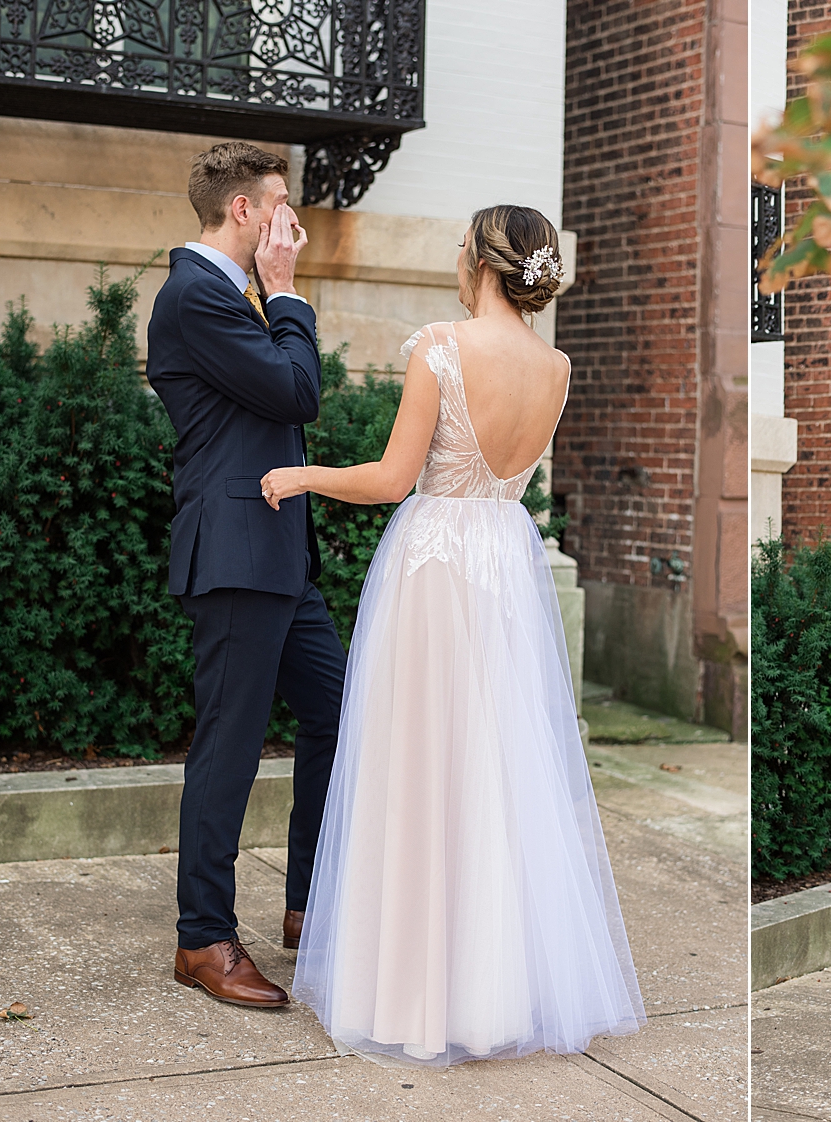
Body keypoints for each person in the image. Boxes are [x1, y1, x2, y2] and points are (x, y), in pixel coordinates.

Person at [260, 205, 645, 1066]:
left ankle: (410, 996)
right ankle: (489, 995)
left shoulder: (442, 342)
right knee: (492, 769)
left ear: (478, 257)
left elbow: (395, 478)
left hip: (434, 568)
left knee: (419, 770)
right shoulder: (557, 367)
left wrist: (303, 473)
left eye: (460, 240)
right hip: (505, 561)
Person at [147, 142, 344, 1008]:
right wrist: (290, 289)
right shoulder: (197, 295)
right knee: (227, 745)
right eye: (281, 204)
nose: (290, 219)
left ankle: (309, 900)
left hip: (281, 558)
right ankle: (203, 941)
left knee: (337, 711)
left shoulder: (236, 294)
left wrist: (273, 292)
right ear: (245, 212)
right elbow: (297, 393)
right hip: (234, 552)